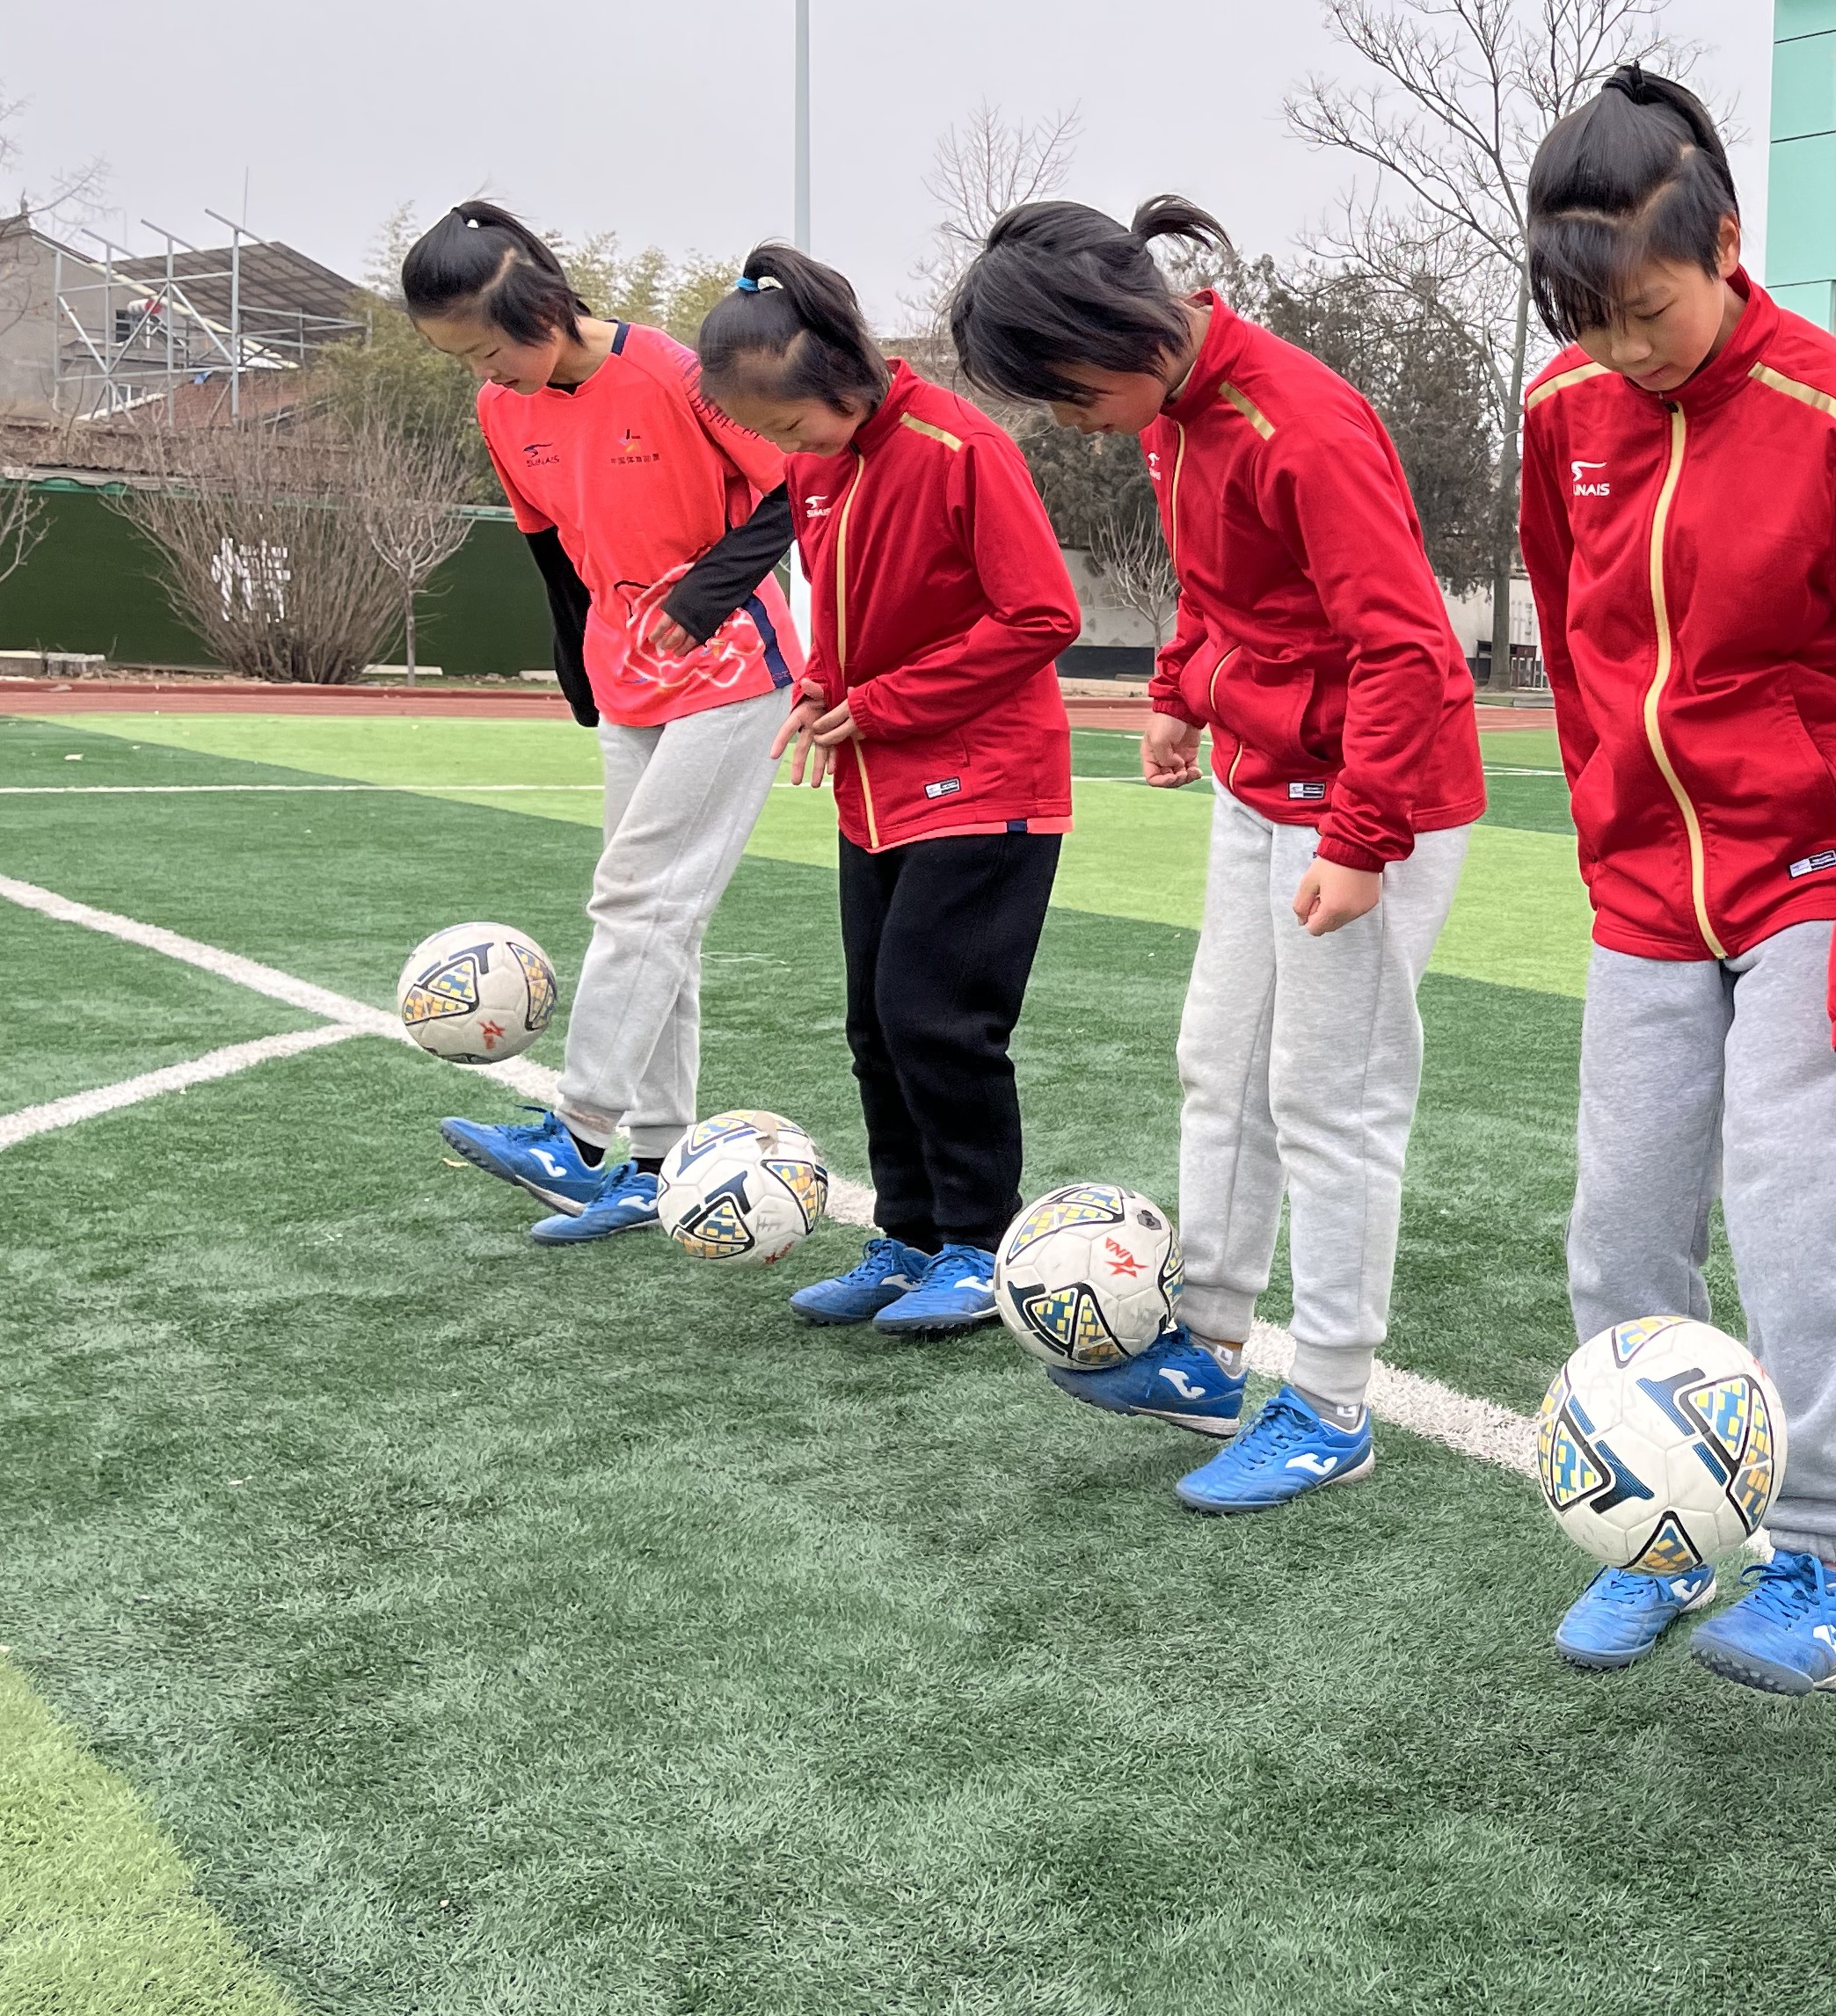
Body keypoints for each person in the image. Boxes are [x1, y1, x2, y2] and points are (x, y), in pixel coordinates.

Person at [1515, 68, 1836, 1698]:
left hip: (1813, 868)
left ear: (1726, 243)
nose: (1625, 352)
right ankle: (1658, 1523)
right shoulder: (1562, 418)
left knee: (1791, 1195)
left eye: (1647, 311)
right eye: (1591, 325)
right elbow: (1579, 639)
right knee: (1621, 1218)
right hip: (1650, 882)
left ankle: (1824, 1547)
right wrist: (1604, 820)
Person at [943, 197, 1485, 1508]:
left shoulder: (1297, 423)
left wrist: (1360, 840)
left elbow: (1408, 647)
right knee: (1220, 1066)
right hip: (1263, 785)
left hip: (1370, 795)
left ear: (1114, 333)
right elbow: (1228, 588)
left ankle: (1336, 1402)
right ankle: (1208, 1346)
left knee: (1330, 1099)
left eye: (1066, 396)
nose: (1071, 423)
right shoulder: (1172, 418)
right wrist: (1183, 689)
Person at [690, 244, 1079, 1336]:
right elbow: (852, 612)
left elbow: (1041, 615)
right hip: (878, 783)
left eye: (788, 425)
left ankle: (977, 1243)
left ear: (845, 376)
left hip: (988, 781)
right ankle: (907, 1233)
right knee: (874, 1021)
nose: (785, 451)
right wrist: (821, 688)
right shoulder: (820, 469)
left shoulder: (962, 448)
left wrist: (889, 702)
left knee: (936, 1017)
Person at [406, 204, 801, 1242]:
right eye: (463, 358)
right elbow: (548, 543)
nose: (483, 370)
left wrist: (699, 601)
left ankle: (577, 1135)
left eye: (488, 345)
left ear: (541, 305)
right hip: (628, 682)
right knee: (664, 922)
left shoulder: (672, 373)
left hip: (733, 668)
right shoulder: (505, 407)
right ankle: (654, 1163)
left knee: (640, 897)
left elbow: (794, 489)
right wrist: (572, 653)